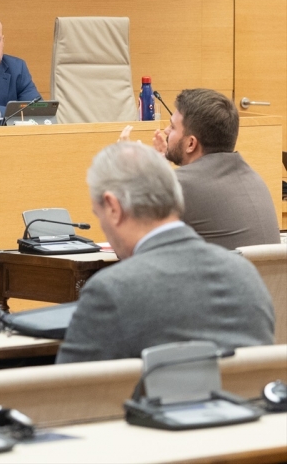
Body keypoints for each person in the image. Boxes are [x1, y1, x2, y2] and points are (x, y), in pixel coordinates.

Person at [57, 142, 274, 364]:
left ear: (113, 207)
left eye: (98, 213)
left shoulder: (111, 291)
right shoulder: (246, 274)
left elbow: (67, 393)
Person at [122, 89, 278, 249]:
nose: (166, 131)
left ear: (191, 143)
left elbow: (129, 247)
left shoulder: (181, 185)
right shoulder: (255, 179)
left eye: (172, 127)